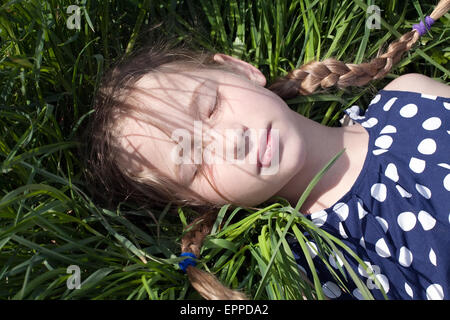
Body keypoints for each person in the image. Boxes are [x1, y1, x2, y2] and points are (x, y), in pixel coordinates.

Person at [86, 0, 450, 300]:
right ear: (196, 203)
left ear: (239, 70)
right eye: (195, 163)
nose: (231, 140)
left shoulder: (411, 96)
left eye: (210, 106)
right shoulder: (308, 269)